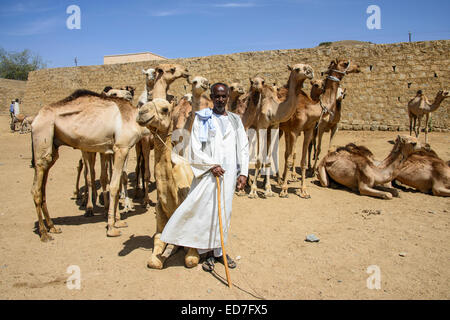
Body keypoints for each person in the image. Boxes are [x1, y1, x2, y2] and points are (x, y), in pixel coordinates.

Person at [160, 83, 249, 272]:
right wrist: (211, 165)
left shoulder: (235, 120)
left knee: (224, 212)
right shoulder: (202, 118)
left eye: (224, 96)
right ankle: (205, 252)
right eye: (217, 96)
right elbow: (194, 148)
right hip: (209, 174)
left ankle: (220, 251)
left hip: (229, 173)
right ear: (212, 97)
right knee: (206, 212)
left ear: (227, 98)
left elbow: (243, 147)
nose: (220, 100)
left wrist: (243, 173)